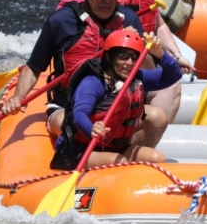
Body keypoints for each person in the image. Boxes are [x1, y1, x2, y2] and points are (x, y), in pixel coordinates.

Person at [1, 0, 167, 149]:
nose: (107, 0)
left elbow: (148, 72)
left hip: (115, 106)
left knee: (158, 118)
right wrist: (18, 97)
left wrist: (142, 47)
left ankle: (120, 161)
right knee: (69, 124)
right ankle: (95, 156)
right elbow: (34, 67)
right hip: (67, 107)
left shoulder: (128, 18)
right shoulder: (61, 21)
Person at [57, 0, 195, 123]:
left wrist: (177, 55)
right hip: (105, 58)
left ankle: (145, 132)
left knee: (172, 85)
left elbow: (157, 22)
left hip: (137, 56)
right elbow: (66, 20)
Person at [50, 30, 182, 170]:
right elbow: (79, 115)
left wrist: (160, 54)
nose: (129, 63)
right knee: (119, 161)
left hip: (118, 148)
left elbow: (174, 74)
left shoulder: (136, 78)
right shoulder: (93, 82)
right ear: (109, 57)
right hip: (81, 150)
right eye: (123, 56)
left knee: (158, 159)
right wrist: (92, 129)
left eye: (134, 57)